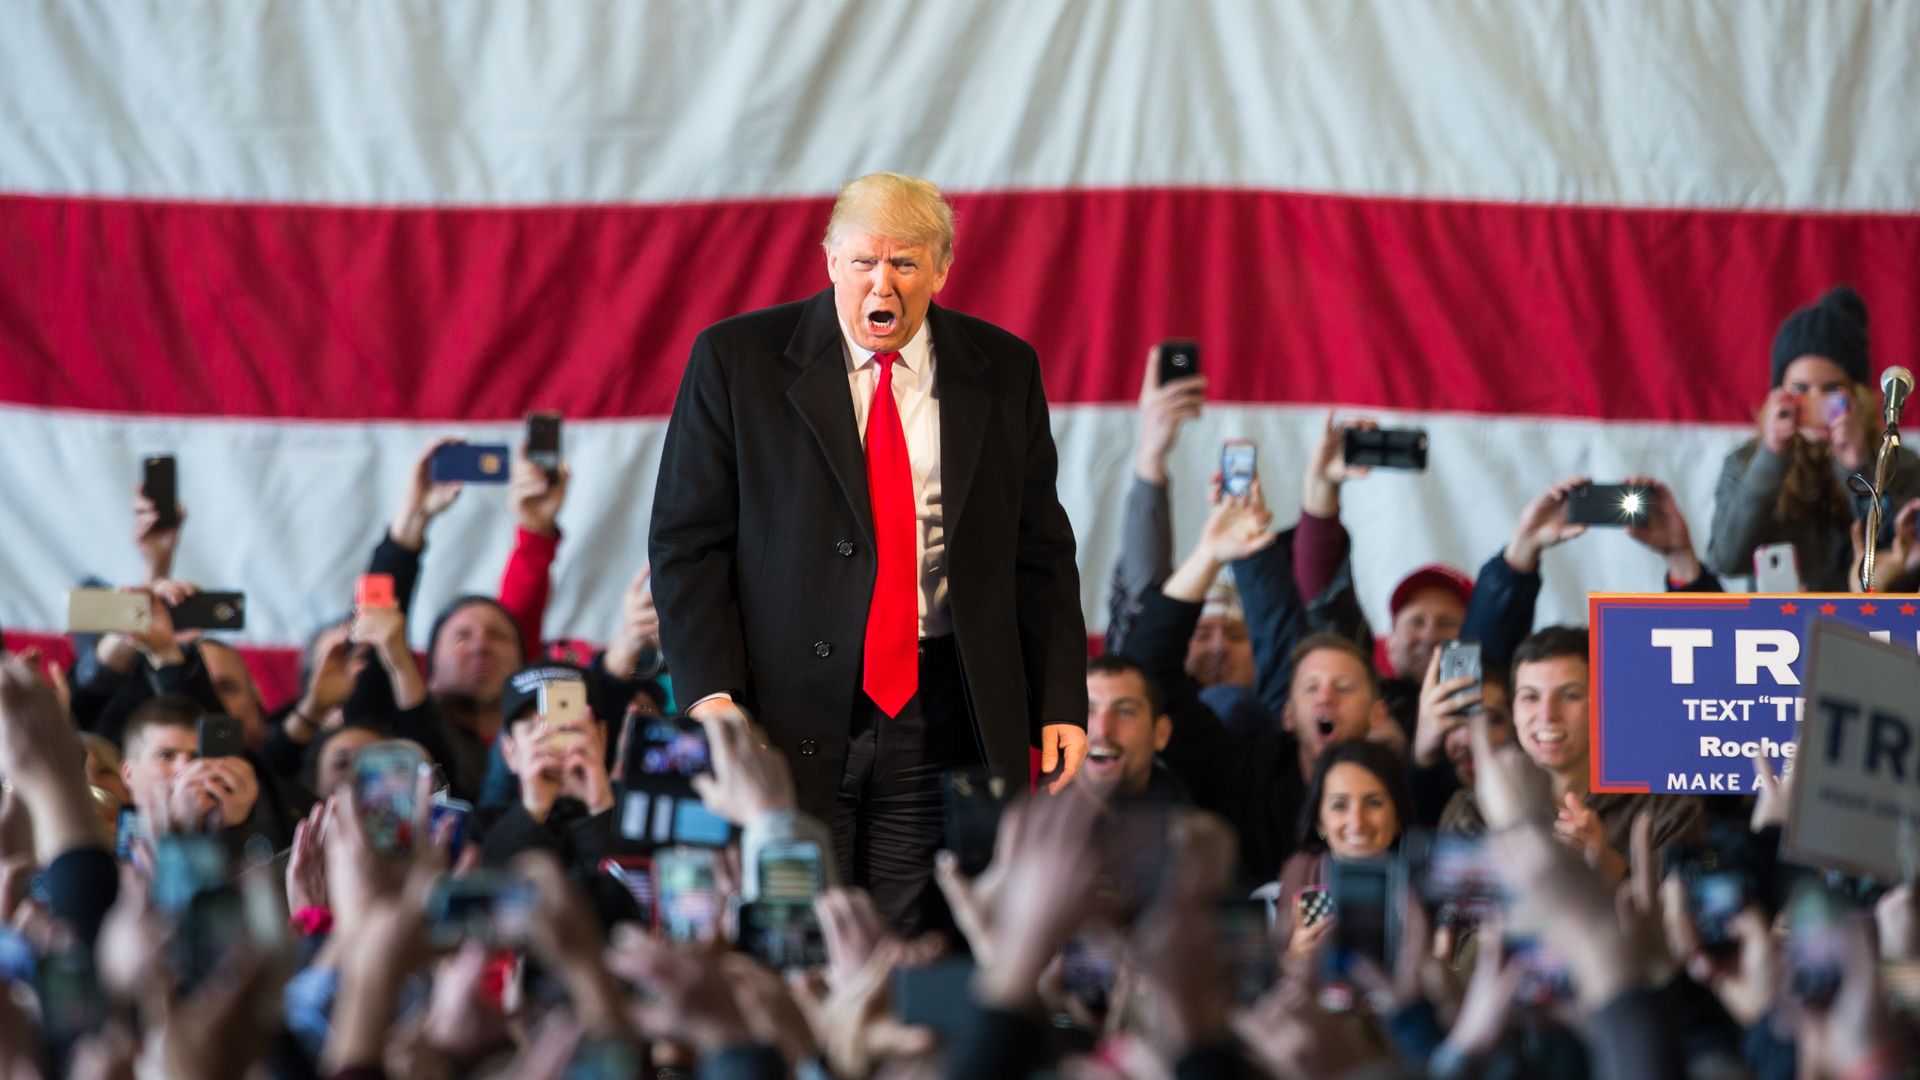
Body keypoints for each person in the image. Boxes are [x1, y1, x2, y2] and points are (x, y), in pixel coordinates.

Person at [649, 171, 1088, 933]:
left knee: (908, 945)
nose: (881, 283)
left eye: (906, 263)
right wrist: (711, 692)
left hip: (941, 711)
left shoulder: (1002, 368)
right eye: (864, 262)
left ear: (942, 271)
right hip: (779, 710)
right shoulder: (737, 360)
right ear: (829, 261)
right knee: (793, 935)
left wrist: (1059, 701)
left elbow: (1039, 549)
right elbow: (688, 544)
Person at [1441, 626, 1704, 881]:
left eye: (1569, 695)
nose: (1547, 715)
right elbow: (1457, 921)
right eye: (1530, 697)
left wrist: (1609, 866)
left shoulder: (1668, 808)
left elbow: (1690, 918)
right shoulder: (1472, 810)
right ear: (1514, 712)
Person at [1707, 284, 1920, 591]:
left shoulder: (1898, 460)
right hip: (1774, 627)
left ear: (1857, 394)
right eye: (1800, 389)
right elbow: (1725, 559)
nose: (1815, 402)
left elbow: (1901, 555)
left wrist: (1858, 465)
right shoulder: (1746, 461)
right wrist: (1771, 456)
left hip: (1867, 625)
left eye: (1832, 389)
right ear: (1778, 393)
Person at [1274, 739, 1413, 955]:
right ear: (1319, 821)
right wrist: (1295, 961)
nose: (1357, 823)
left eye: (1373, 803)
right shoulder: (1300, 873)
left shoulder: (1422, 882)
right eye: (1340, 805)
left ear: (1397, 816)